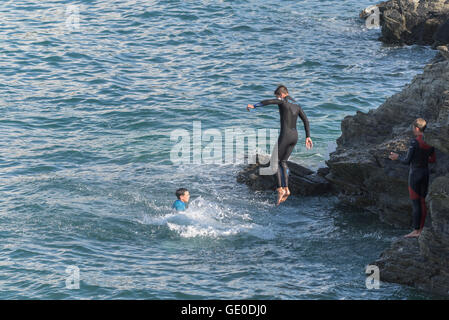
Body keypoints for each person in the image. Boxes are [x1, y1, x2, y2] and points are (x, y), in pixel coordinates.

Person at [247, 85, 313, 205]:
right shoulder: (297, 106)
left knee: (274, 162)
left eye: (278, 96)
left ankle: (280, 189)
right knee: (283, 162)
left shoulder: (282, 103)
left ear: (282, 95)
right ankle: (286, 188)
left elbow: (269, 102)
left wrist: (254, 105)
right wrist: (308, 136)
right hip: (295, 137)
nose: (277, 98)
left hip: (285, 136)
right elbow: (306, 120)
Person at [389, 118, 436, 238]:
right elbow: (432, 159)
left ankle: (416, 231)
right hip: (425, 173)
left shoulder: (415, 142)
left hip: (415, 174)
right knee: (422, 202)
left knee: (416, 203)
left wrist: (396, 157)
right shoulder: (430, 142)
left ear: (416, 128)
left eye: (412, 128)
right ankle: (421, 229)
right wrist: (422, 158)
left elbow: (406, 161)